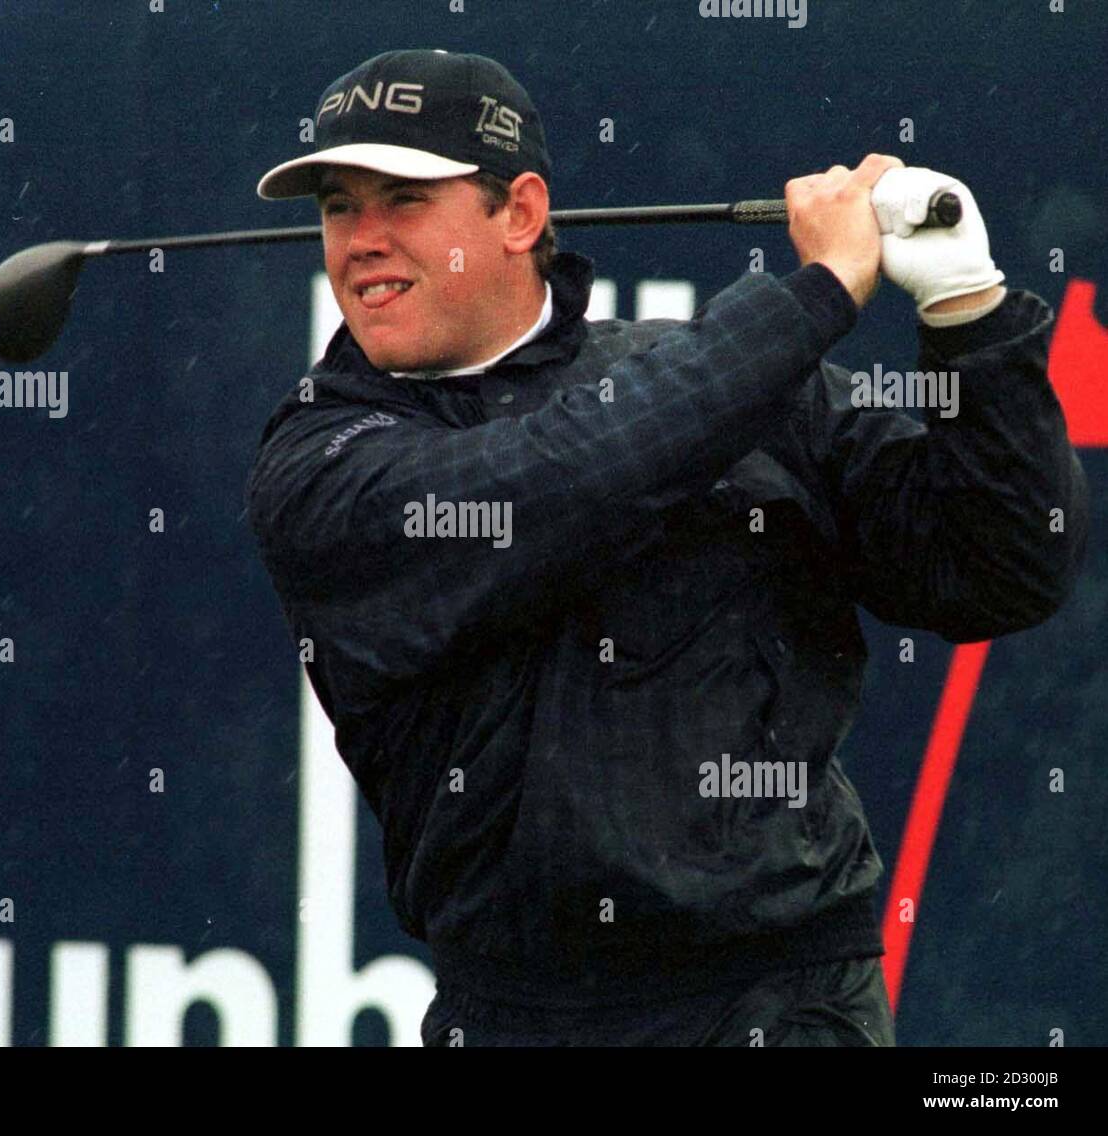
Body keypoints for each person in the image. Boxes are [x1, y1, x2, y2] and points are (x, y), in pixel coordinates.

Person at [246, 48, 1088, 1046]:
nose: (363, 240)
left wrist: (968, 309)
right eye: (340, 207)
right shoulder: (318, 459)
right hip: (520, 1015)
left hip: (790, 1002)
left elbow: (1001, 567)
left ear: (520, 214)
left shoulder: (736, 392)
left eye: (403, 199)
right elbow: (561, 479)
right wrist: (819, 290)